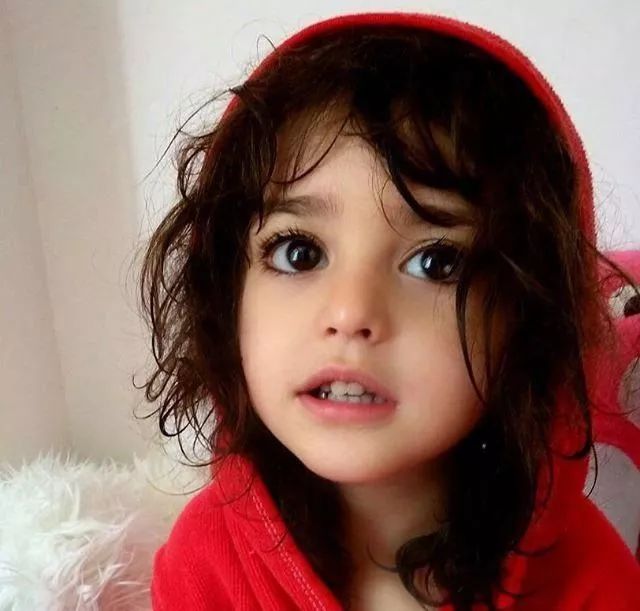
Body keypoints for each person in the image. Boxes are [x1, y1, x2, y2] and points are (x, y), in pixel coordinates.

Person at [141, 12, 640, 610]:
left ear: (528, 316)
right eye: (299, 252)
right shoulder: (205, 564)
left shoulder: (589, 578)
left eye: (436, 262)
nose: (350, 313)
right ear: (225, 295)